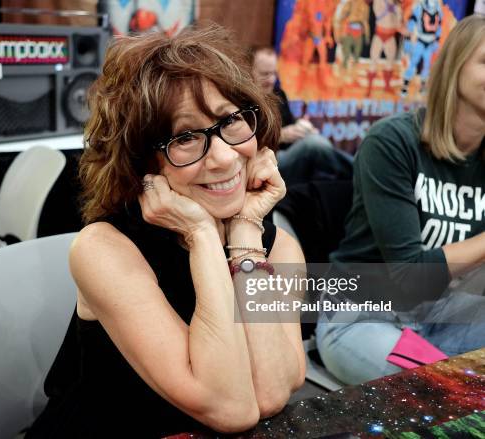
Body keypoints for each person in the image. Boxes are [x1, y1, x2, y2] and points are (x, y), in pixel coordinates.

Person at [26, 24, 306, 438]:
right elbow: (230, 408)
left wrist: (245, 234)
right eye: (186, 137)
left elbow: (269, 395)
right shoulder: (103, 249)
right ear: (142, 162)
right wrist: (203, 236)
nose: (225, 158)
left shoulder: (276, 247)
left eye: (231, 120)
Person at [316, 15, 485, 385]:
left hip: (446, 314)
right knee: (456, 394)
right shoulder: (392, 142)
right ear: (455, 68)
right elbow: (410, 277)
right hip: (363, 315)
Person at [250, 46, 353, 186]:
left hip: (286, 153)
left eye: (274, 73)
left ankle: (355, 174)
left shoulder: (278, 94)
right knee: (313, 145)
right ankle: (359, 169)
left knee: (316, 142)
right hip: (262, 162)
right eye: (265, 74)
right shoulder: (242, 101)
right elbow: (244, 143)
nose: (271, 79)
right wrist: (280, 136)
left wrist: (302, 128)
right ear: (248, 71)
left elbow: (290, 124)